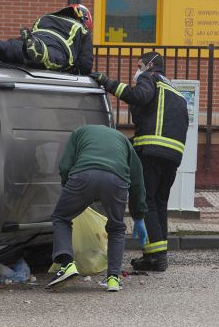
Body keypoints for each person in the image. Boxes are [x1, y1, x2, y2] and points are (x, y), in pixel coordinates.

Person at [92, 51, 188, 272]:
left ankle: (155, 258)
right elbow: (159, 122)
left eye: (139, 66)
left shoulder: (149, 77)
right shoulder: (176, 92)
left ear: (150, 65)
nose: (136, 71)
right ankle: (158, 254)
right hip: (173, 156)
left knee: (148, 203)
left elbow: (140, 97)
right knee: (160, 204)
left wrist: (108, 83)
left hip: (152, 153)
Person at [47, 123, 148, 292]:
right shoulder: (123, 140)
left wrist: (70, 189)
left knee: (61, 217)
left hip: (83, 176)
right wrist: (139, 216)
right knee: (116, 228)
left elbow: (65, 166)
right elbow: (137, 180)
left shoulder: (78, 132)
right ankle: (113, 279)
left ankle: (67, 264)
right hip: (117, 180)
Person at [0, 3, 93, 74]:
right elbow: (85, 64)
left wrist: (17, 44)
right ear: (84, 18)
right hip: (55, 49)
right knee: (51, 57)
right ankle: (39, 52)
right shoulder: (82, 29)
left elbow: (26, 40)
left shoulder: (45, 18)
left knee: (7, 48)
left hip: (32, 40)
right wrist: (78, 73)